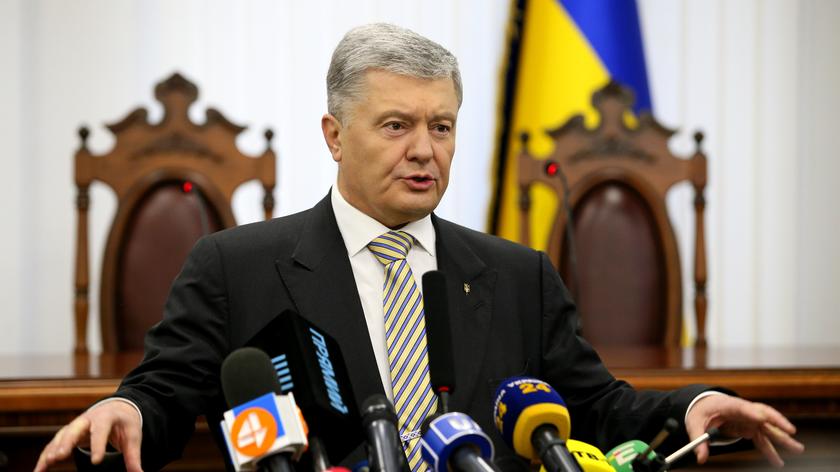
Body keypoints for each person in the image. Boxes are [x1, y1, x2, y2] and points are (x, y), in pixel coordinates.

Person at [36, 23, 804, 472]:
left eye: (441, 126)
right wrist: (126, 408)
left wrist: (695, 404)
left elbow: (599, 409)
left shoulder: (518, 275)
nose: (425, 150)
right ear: (335, 136)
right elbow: (164, 394)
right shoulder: (235, 268)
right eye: (396, 125)